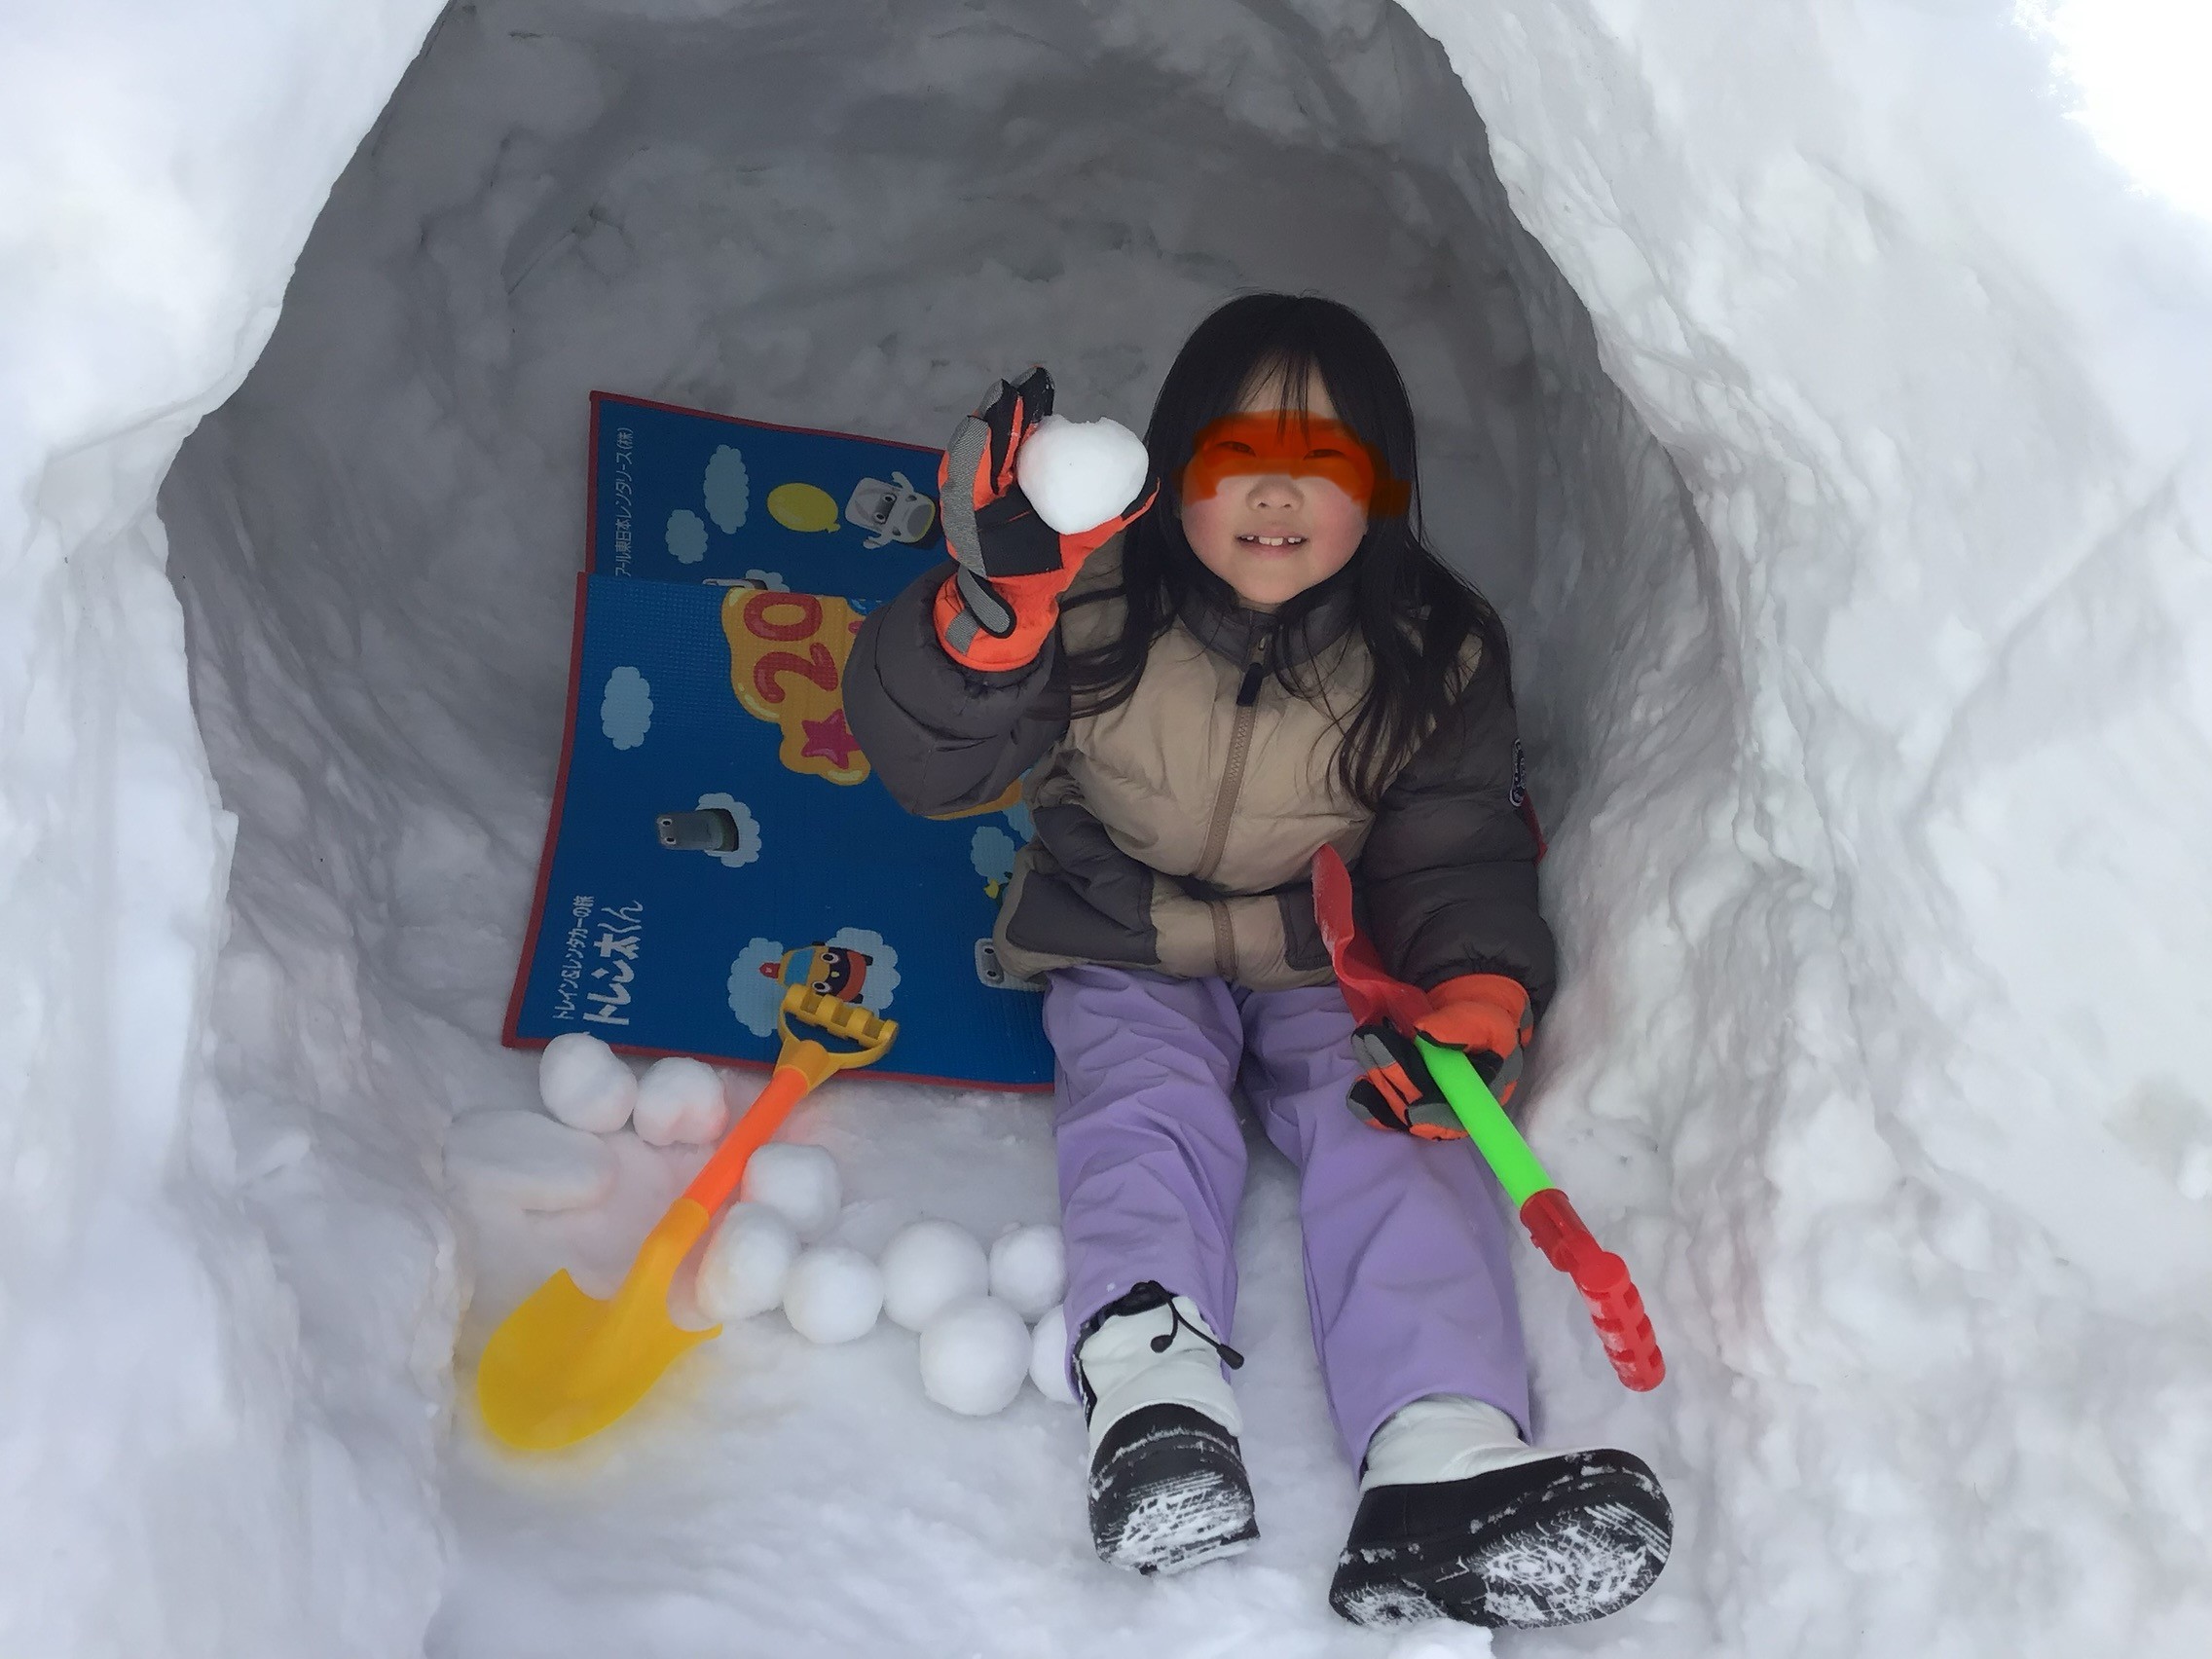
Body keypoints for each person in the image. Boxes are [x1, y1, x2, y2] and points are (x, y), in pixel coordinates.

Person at [843, 293, 1671, 1629]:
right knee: (1141, 1103)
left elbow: (1454, 851)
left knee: (1399, 1136)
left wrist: (1473, 986)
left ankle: (1441, 1452)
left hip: (1322, 948)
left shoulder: (1431, 652)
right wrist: (992, 623)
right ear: (1173, 473)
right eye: (1239, 458)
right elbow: (931, 762)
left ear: (1384, 492)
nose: (1278, 494)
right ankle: (1156, 1396)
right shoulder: (1096, 604)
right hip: (1122, 924)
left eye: (1327, 463)